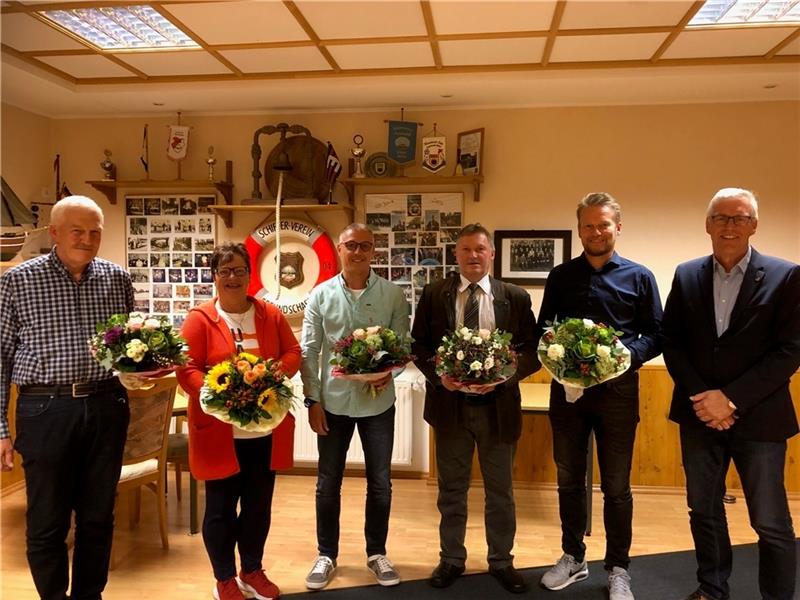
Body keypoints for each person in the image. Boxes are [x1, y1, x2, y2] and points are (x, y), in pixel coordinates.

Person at [662, 188, 799, 600]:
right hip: (700, 415)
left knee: (770, 521)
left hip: (760, 418)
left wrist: (732, 399)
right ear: (708, 225)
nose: (729, 226)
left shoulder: (787, 275)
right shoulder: (687, 274)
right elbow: (673, 342)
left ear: (754, 225)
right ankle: (712, 587)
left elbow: (790, 349)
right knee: (703, 510)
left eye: (739, 218)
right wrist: (706, 398)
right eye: (721, 218)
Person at [0, 195, 133, 600]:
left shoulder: (117, 279)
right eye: (78, 230)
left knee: (98, 519)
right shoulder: (16, 281)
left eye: (95, 232)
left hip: (107, 406)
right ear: (55, 232)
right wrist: (1, 430)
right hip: (45, 410)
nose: (87, 239)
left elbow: (128, 349)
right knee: (47, 522)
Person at [538, 193, 662, 600]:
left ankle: (618, 568)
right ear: (579, 230)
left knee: (616, 486)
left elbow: (657, 334)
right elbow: (545, 330)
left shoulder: (640, 276)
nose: (596, 231)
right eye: (589, 225)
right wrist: (558, 357)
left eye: (604, 224)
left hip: (618, 393)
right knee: (569, 480)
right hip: (568, 394)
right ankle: (573, 557)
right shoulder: (560, 277)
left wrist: (627, 356)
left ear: (617, 227)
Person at [411, 223, 540, 594]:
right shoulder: (436, 294)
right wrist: (440, 377)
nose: (472, 256)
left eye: (480, 249)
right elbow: (419, 345)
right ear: (456, 254)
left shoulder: (513, 297)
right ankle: (451, 559)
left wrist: (505, 376)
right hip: (450, 409)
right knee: (451, 490)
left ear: (492, 254)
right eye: (465, 249)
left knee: (501, 491)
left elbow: (532, 351)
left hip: (498, 410)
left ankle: (501, 561)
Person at [177, 242, 301, 600]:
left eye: (240, 270)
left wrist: (276, 372)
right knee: (219, 510)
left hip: (264, 431)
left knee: (258, 507)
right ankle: (225, 579)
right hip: (219, 434)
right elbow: (187, 369)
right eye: (225, 271)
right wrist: (223, 395)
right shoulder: (199, 320)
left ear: (250, 274)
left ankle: (252, 569)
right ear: (215, 276)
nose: (233, 277)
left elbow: (292, 351)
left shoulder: (269, 314)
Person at [301, 223, 410, 590]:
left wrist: (389, 373)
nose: (358, 252)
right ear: (339, 248)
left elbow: (402, 347)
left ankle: (377, 553)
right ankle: (326, 554)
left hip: (378, 404)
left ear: (374, 250)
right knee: (327, 483)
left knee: (380, 482)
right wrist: (313, 400)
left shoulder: (394, 295)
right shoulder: (320, 295)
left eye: (365, 246)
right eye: (351, 245)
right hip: (332, 402)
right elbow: (309, 352)